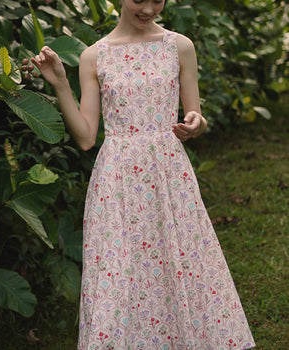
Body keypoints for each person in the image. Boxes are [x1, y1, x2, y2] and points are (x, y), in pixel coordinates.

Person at [30, 0, 256, 349]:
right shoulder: (94, 56)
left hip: (168, 174)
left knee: (178, 262)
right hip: (117, 180)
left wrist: (196, 123)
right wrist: (60, 83)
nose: (149, 8)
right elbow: (87, 137)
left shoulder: (179, 46)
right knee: (119, 271)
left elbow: (194, 112)